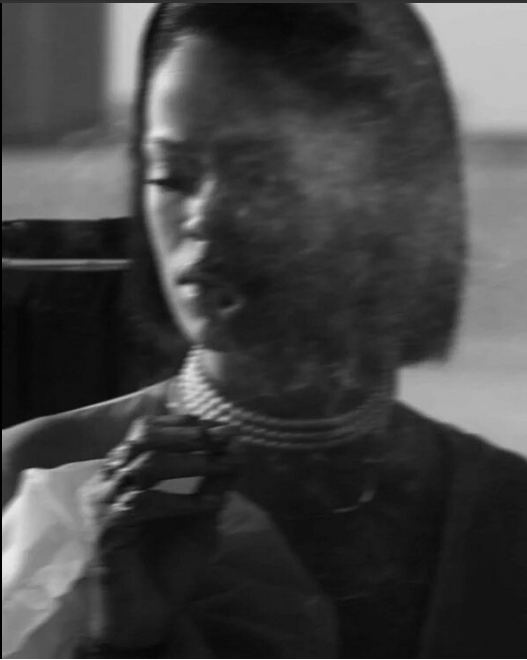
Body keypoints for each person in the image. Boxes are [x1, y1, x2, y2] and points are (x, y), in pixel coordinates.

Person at [3, 4, 526, 658]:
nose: (204, 215)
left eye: (260, 174)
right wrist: (108, 639)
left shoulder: (502, 512)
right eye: (171, 175)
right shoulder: (36, 476)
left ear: (390, 192)